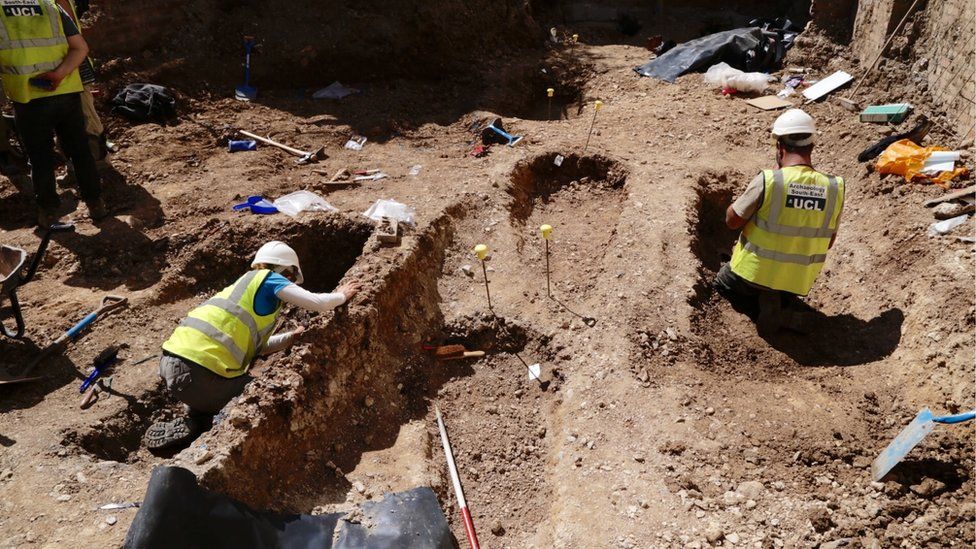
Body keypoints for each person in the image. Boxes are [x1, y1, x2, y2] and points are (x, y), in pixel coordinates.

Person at [144, 241, 362, 450]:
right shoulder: (268, 279)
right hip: (197, 374)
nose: (291, 283)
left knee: (227, 389)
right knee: (261, 394)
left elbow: (256, 348)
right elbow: (317, 303)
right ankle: (218, 426)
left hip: (176, 370)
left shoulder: (244, 292)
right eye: (291, 277)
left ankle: (199, 416)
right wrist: (341, 296)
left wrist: (290, 338)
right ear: (286, 270)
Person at [714, 108, 845, 335]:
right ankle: (780, 303)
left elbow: (731, 221)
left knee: (722, 284)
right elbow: (829, 242)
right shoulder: (835, 187)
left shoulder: (770, 180)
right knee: (778, 288)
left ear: (780, 148)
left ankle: (768, 312)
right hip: (796, 282)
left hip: (752, 275)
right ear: (812, 146)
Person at [0, 0, 105, 227]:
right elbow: (81, 48)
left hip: (28, 99)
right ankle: (96, 204)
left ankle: (48, 213)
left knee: (40, 159)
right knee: (79, 150)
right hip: (66, 92)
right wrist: (58, 74)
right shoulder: (51, 6)